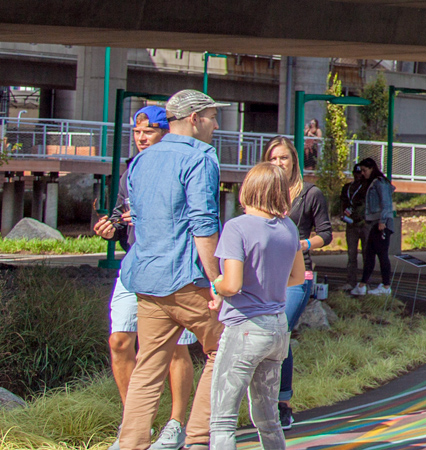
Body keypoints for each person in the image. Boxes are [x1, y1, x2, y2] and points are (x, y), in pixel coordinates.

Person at [114, 89, 230, 450]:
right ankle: (196, 437)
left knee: (148, 368)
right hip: (188, 279)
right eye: (212, 117)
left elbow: (141, 219)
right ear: (194, 119)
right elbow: (203, 222)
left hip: (147, 279)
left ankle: (131, 443)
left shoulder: (141, 160)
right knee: (224, 349)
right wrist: (217, 280)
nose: (215, 124)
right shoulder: (200, 157)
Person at [94, 105, 199, 450]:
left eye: (148, 132)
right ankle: (135, 427)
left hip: (173, 270)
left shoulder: (184, 163)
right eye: (137, 133)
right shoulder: (131, 170)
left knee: (174, 349)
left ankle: (176, 424)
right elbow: (121, 215)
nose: (141, 138)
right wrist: (110, 229)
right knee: (119, 341)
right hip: (136, 267)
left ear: (165, 132)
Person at [205, 163, 301, 450]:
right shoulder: (289, 227)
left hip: (245, 326)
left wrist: (216, 283)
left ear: (248, 189)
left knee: (222, 418)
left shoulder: (237, 227)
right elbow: (296, 276)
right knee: (268, 416)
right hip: (277, 327)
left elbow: (231, 285)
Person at [263, 137, 332, 430]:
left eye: (284, 158)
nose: (279, 163)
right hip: (265, 276)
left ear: (294, 161)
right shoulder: (261, 192)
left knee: (280, 332)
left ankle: (283, 403)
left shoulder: (310, 194)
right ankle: (262, 400)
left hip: (296, 276)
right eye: (274, 158)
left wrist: (301, 244)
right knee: (267, 337)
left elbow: (326, 234)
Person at [352, 158, 396, 296]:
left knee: (382, 254)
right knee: (370, 253)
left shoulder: (379, 182)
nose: (363, 173)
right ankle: (362, 284)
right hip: (375, 222)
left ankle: (386, 285)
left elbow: (386, 203)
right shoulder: (374, 183)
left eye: (365, 170)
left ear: (372, 168)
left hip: (381, 222)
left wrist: (382, 221)